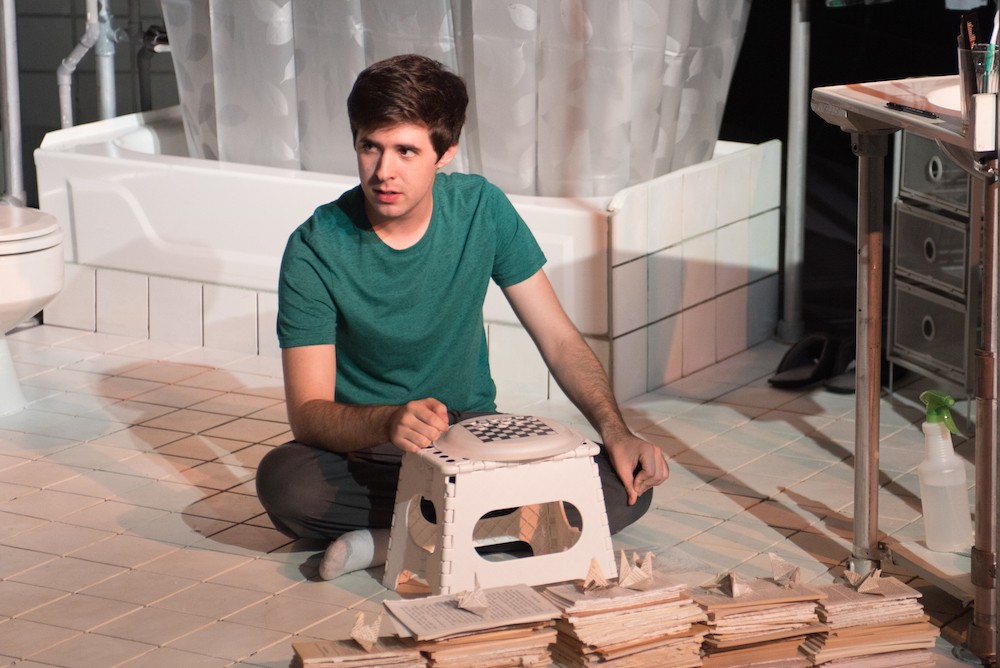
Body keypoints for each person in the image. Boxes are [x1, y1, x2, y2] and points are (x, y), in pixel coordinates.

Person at [255, 53, 669, 580]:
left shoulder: (481, 209)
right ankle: (486, 527)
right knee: (286, 484)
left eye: (406, 151)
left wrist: (617, 431)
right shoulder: (315, 247)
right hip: (370, 448)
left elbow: (560, 341)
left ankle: (392, 540)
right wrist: (387, 420)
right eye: (370, 147)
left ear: (445, 152)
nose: (383, 172)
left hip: (469, 442)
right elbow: (309, 414)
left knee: (624, 485)